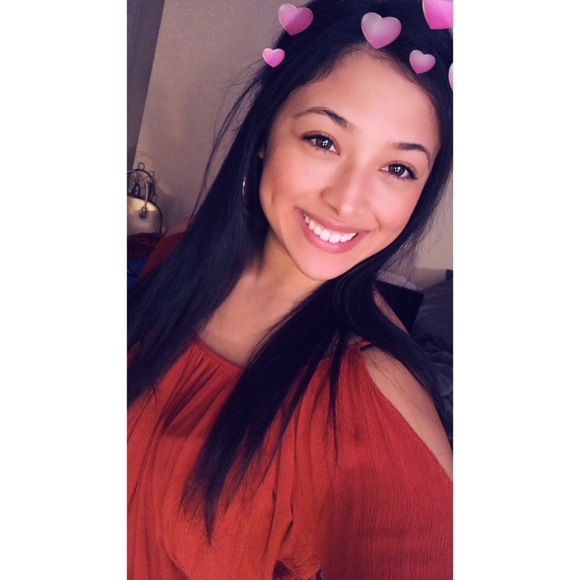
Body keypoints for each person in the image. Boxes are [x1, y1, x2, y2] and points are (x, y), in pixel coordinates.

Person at [128, 0, 453, 577]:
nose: (347, 201)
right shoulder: (180, 251)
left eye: (399, 169)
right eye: (323, 140)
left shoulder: (370, 394)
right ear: (265, 132)